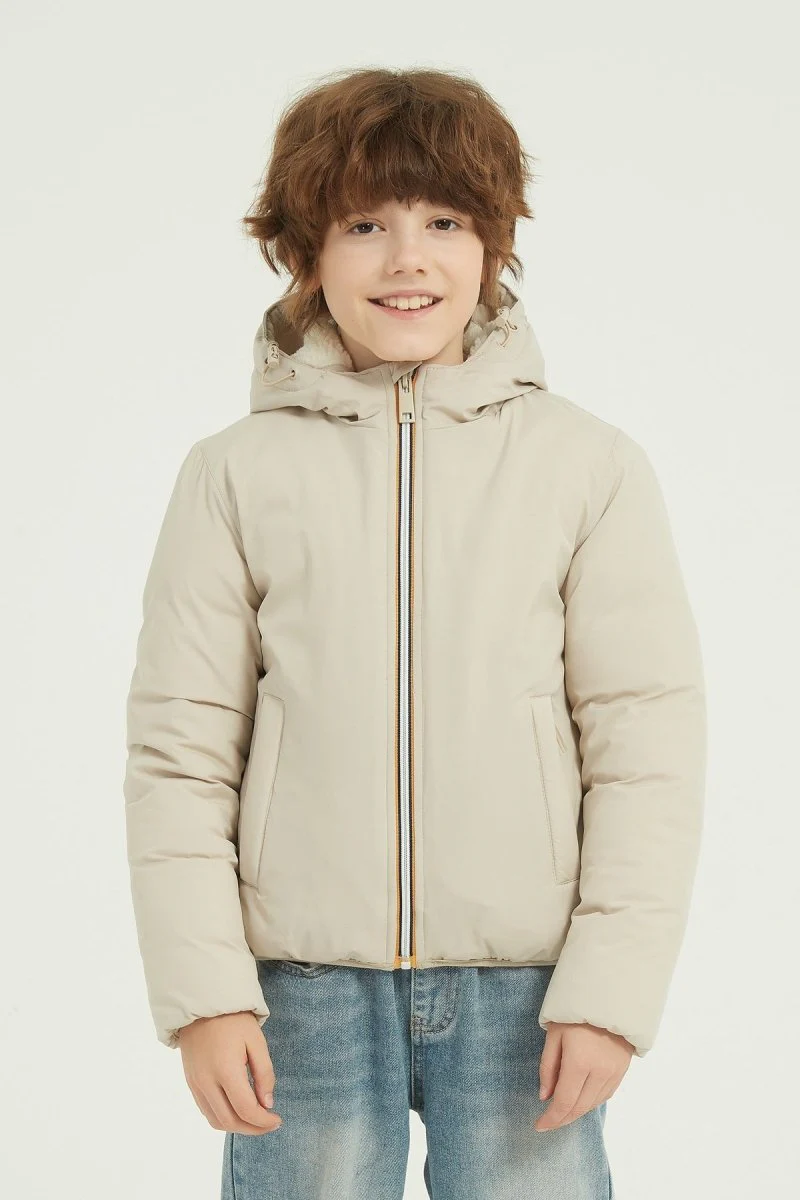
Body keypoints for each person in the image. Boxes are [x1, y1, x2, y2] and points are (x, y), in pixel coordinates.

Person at [123, 66, 707, 1200]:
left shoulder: (586, 467)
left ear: (491, 244)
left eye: (444, 222)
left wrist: (609, 990)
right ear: (306, 253)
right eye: (364, 225)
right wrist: (206, 995)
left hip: (528, 989)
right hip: (298, 990)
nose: (407, 259)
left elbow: (646, 746)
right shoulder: (233, 475)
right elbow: (179, 751)